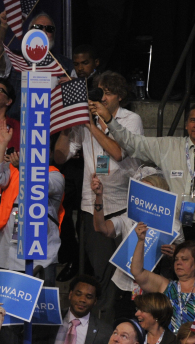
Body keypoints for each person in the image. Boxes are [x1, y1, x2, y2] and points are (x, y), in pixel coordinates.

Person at [54, 72, 142, 302]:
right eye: (99, 92)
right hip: (93, 208)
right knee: (101, 273)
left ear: (120, 97)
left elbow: (119, 152)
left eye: (108, 93)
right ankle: (103, 321)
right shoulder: (85, 120)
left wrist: (91, 126)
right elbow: (60, 157)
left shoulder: (130, 119)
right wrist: (66, 126)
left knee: (125, 273)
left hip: (125, 207)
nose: (102, 98)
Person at [98, 102, 195, 240]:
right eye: (193, 120)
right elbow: (132, 142)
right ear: (186, 125)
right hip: (171, 228)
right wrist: (109, 120)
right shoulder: (167, 146)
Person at [0, 123, 64, 278]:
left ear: (49, 154)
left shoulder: (55, 175)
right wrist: (2, 143)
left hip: (40, 257)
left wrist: (23, 168)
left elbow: (40, 187)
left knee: (39, 300)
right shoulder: (13, 170)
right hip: (6, 255)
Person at [130, 224, 195, 331]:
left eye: (184, 259)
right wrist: (141, 241)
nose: (179, 263)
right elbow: (137, 272)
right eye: (176, 259)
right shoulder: (167, 286)